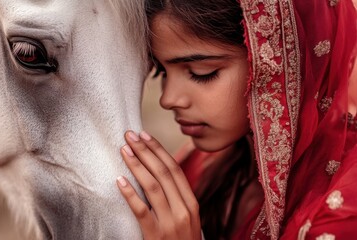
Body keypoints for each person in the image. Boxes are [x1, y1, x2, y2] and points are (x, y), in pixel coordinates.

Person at [116, 0, 357, 239]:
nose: (167, 99)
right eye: (162, 72)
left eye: (202, 73)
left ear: (279, 64)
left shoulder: (344, 210)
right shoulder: (202, 167)